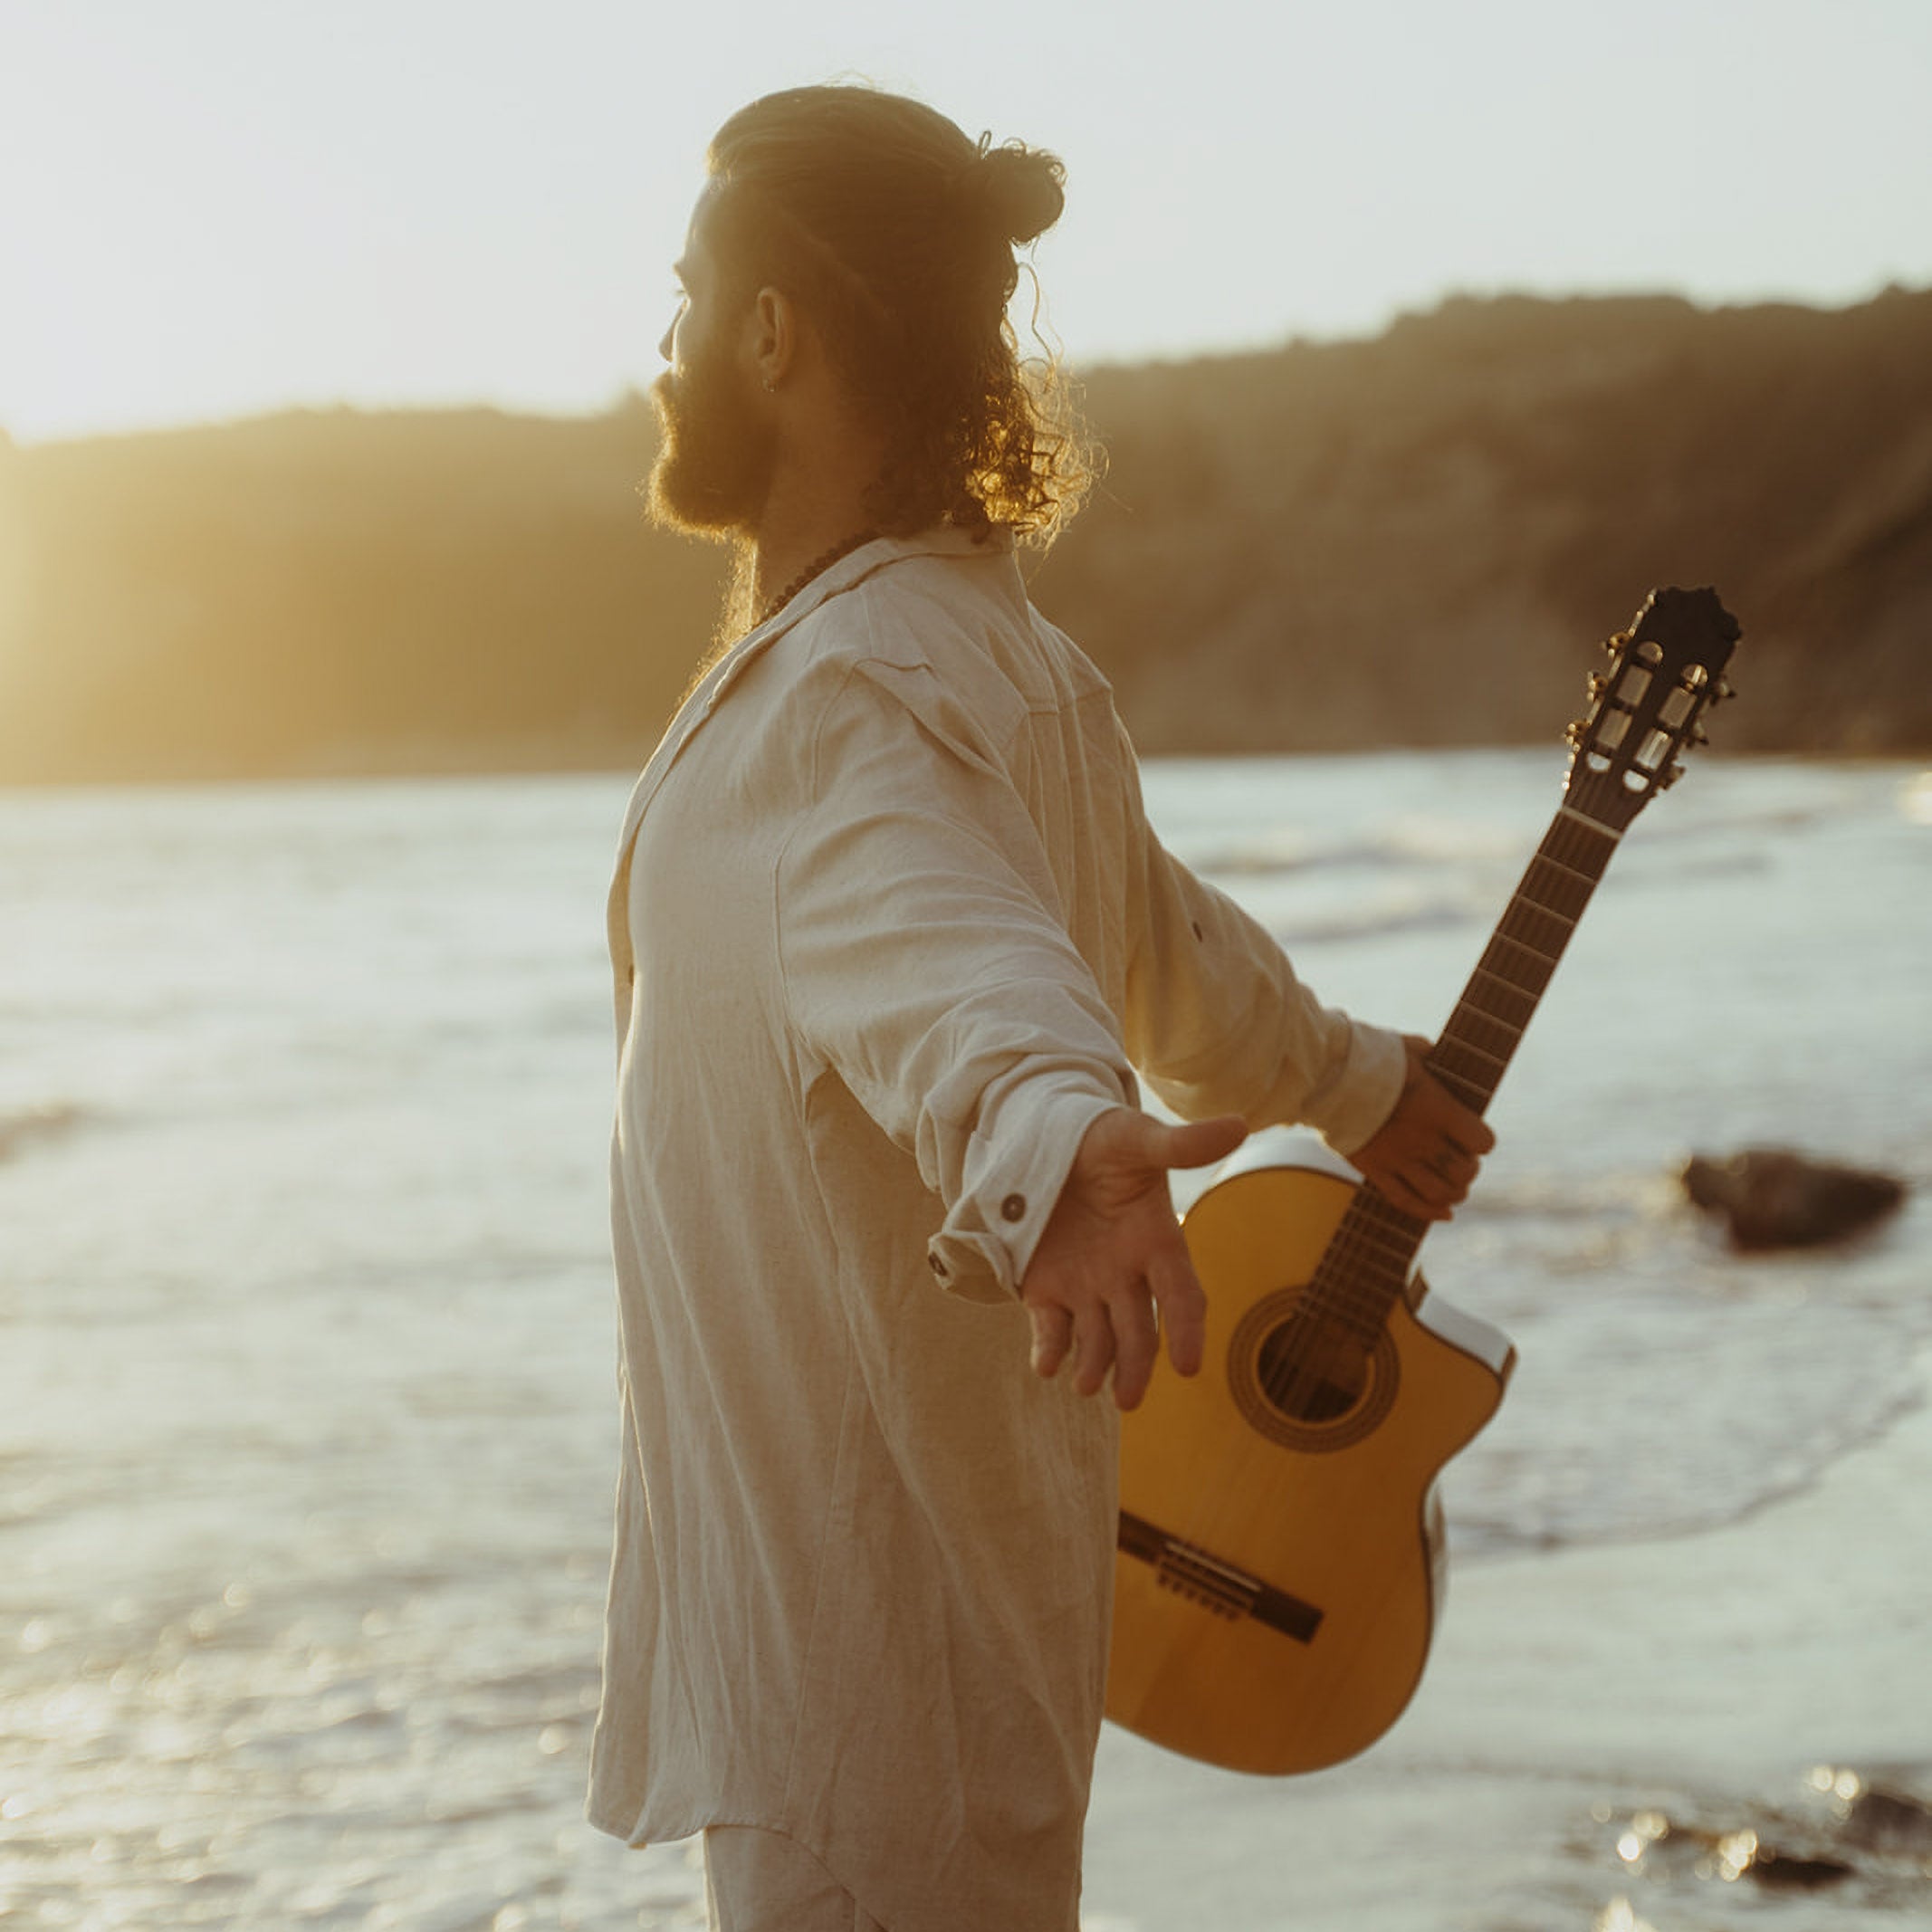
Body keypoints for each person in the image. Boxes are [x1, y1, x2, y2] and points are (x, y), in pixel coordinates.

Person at [589, 82, 1494, 1932]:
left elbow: (972, 973)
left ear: (772, 331)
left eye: (686, 297)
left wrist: (1055, 1136)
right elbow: (1147, 945)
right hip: (950, 1642)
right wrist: (1349, 1077)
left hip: (858, 1706)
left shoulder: (844, 700)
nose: (662, 342)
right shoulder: (1004, 659)